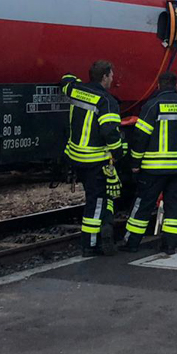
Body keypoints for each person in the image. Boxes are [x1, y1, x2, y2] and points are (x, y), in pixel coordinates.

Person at [121, 72, 177, 254]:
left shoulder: (153, 106)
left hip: (154, 168)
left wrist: (135, 162)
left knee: (144, 204)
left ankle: (132, 243)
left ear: (158, 86)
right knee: (174, 205)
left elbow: (140, 136)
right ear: (176, 85)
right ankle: (170, 245)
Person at [61, 61, 123, 256]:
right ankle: (90, 245)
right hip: (95, 160)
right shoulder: (107, 101)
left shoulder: (76, 89)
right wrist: (119, 153)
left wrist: (75, 78)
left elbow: (66, 80)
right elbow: (109, 132)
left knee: (95, 198)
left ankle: (98, 235)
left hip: (75, 157)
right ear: (104, 77)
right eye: (111, 75)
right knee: (96, 202)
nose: (112, 79)